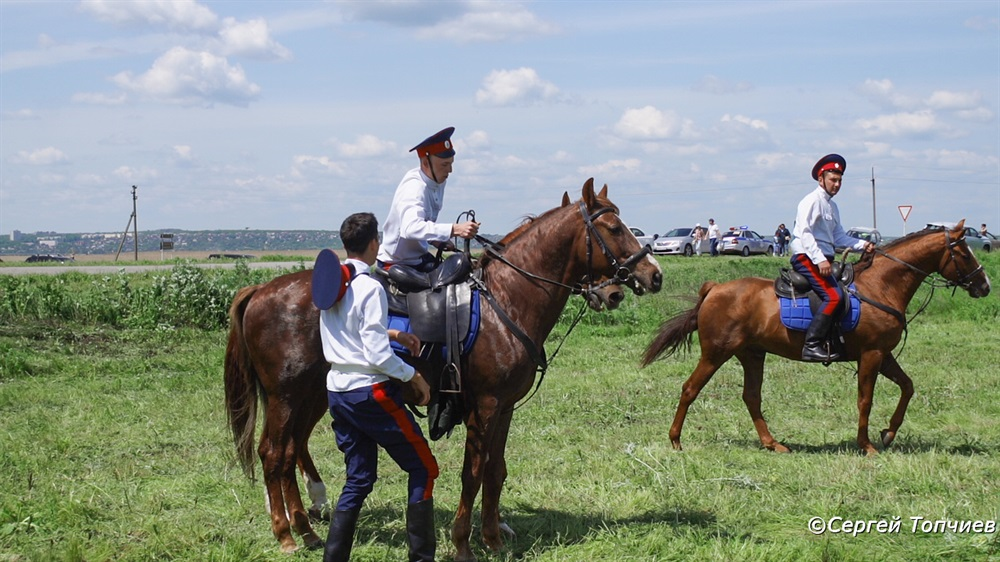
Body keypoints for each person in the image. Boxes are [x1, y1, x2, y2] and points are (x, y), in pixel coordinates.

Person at [321, 212, 439, 562]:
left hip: (338, 392)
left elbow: (346, 331)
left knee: (358, 480)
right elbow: (376, 355)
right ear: (374, 244)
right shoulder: (372, 287)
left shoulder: (333, 283)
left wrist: (392, 332)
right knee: (424, 469)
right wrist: (413, 376)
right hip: (369, 393)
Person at [788, 154, 875, 362]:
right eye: (832, 180)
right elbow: (806, 232)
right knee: (834, 296)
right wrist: (820, 260)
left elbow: (839, 237)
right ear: (821, 179)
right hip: (806, 257)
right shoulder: (811, 201)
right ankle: (812, 345)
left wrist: (864, 245)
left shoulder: (832, 207)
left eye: (839, 181)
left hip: (822, 257)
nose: (836, 184)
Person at [377, 126, 480, 272]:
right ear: (425, 163)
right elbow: (410, 228)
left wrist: (437, 240)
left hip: (419, 259)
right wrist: (454, 229)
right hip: (398, 264)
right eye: (444, 165)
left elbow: (425, 222)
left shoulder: (438, 181)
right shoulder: (414, 187)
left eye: (451, 164)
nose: (450, 170)